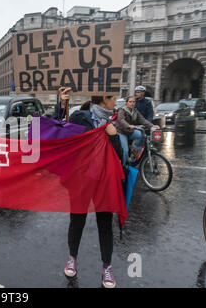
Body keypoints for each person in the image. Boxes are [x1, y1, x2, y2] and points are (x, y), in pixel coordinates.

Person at [55, 87, 123, 289]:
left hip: (103, 182)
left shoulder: (111, 123)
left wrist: (114, 136)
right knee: (77, 220)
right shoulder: (79, 117)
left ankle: (107, 268)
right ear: (104, 98)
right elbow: (60, 129)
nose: (115, 103)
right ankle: (72, 258)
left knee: (105, 224)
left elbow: (118, 156)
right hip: (81, 180)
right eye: (113, 99)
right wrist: (62, 104)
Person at [116, 96, 159, 166]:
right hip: (122, 132)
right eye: (130, 102)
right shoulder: (122, 110)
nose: (132, 103)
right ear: (126, 103)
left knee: (140, 134)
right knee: (125, 151)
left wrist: (152, 126)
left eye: (133, 102)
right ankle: (122, 167)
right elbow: (121, 120)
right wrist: (128, 125)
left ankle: (135, 150)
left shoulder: (135, 111)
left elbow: (142, 120)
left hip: (130, 131)